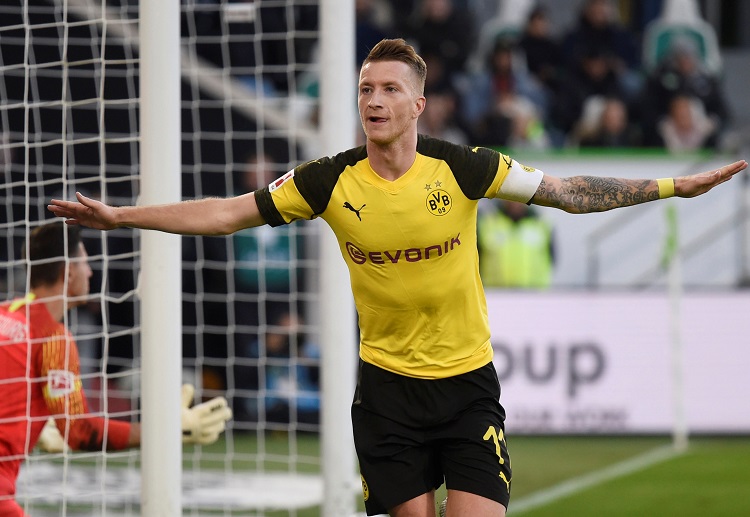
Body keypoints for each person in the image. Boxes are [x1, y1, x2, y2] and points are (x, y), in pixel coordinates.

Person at [48, 38, 747, 517]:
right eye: (365, 89)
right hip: (387, 396)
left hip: (467, 388)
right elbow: (230, 212)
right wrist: (123, 216)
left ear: (418, 105)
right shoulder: (329, 181)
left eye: (389, 89)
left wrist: (672, 186)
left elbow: (567, 192)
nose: (374, 100)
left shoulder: (464, 167)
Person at [0, 222, 232, 517]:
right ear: (68, 272)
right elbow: (80, 432)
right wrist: (166, 430)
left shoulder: (4, 314)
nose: (90, 272)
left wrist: (38, 424)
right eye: (85, 263)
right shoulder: (53, 338)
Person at [477, 200, 554, 289]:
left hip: (535, 293)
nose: (515, 201)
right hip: (494, 294)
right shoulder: (487, 222)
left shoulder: (542, 224)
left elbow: (552, 258)